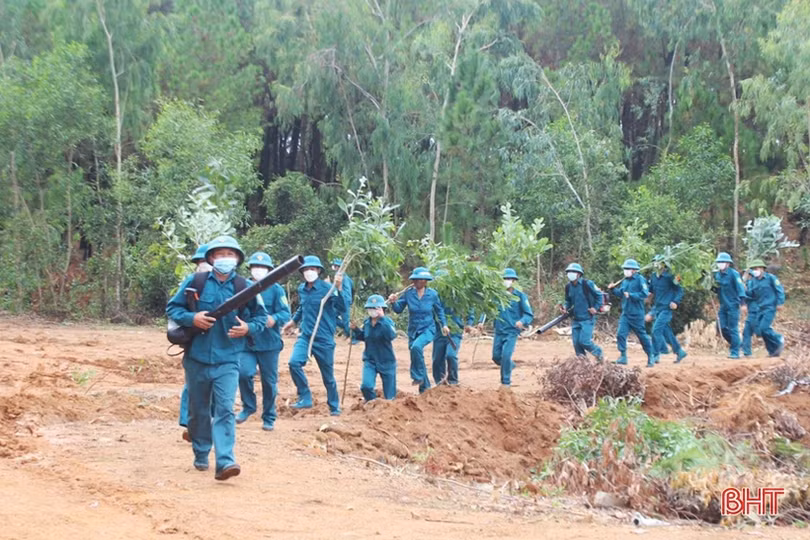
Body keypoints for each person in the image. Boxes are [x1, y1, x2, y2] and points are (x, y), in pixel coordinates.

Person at [166, 235, 267, 480]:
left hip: (228, 359)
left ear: (237, 259)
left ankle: (225, 461)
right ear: (211, 258)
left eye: (230, 255)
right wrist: (194, 319)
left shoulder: (245, 287)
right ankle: (201, 451)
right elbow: (172, 309)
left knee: (224, 409)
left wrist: (248, 328)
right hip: (197, 358)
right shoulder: (196, 282)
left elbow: (261, 318)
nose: (225, 259)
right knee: (198, 410)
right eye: (220, 254)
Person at [282, 255, 345, 416]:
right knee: (294, 363)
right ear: (302, 272)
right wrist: (293, 322)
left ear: (318, 270)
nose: (309, 271)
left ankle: (334, 406)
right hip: (306, 335)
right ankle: (305, 397)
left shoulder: (327, 288)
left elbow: (342, 308)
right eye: (306, 269)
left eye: (312, 269)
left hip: (324, 338)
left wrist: (338, 289)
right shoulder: (302, 289)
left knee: (328, 376)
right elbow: (303, 308)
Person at [235, 252, 291, 431]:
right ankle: (248, 406)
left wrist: (274, 319)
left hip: (269, 343)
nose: (259, 270)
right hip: (247, 341)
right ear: (250, 269)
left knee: (269, 381)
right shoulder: (241, 286)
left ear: (269, 270)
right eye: (255, 267)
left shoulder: (276, 289)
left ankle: (269, 416)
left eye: (263, 267)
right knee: (243, 373)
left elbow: (285, 313)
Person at [388, 267, 449, 394]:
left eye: (421, 280)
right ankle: (424, 388)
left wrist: (444, 325)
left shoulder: (432, 294)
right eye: (416, 279)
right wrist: (394, 302)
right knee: (417, 356)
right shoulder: (408, 294)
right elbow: (399, 309)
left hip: (428, 329)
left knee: (416, 348)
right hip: (413, 330)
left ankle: (417, 377)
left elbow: (439, 311)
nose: (418, 282)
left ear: (426, 281)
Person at [179, 243, 210, 442]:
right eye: (200, 262)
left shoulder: (232, 286)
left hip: (220, 346)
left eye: (206, 261)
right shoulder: (191, 284)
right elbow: (175, 310)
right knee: (191, 385)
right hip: (195, 344)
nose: (203, 265)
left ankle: (205, 425)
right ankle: (189, 424)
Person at [351, 295, 398, 401]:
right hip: (370, 360)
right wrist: (356, 330)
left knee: (390, 396)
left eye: (376, 308)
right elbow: (365, 337)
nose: (372, 311)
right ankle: (372, 403)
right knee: (366, 386)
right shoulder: (367, 323)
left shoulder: (388, 322)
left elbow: (391, 335)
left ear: (382, 309)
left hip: (387, 361)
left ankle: (388, 412)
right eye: (370, 308)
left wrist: (382, 318)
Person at [492, 268, 534, 387]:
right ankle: (510, 365)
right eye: (504, 279)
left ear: (514, 281)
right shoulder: (497, 295)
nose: (507, 281)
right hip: (499, 330)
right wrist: (480, 321)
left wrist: (522, 321)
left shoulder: (521, 296)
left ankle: (505, 383)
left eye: (509, 279)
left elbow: (528, 314)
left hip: (511, 331)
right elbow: (489, 308)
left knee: (506, 355)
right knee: (496, 357)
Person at [609, 259, 654, 367]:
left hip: (637, 314)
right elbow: (621, 293)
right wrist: (612, 289)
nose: (625, 271)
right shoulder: (625, 281)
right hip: (626, 313)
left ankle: (650, 356)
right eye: (625, 269)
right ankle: (623, 356)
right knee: (621, 334)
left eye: (627, 269)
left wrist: (632, 295)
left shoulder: (640, 279)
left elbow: (644, 293)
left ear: (634, 270)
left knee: (642, 336)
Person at [647, 257, 688, 364]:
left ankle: (655, 355)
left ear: (664, 265)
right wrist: (647, 299)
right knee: (667, 332)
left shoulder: (671, 276)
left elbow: (680, 290)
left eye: (658, 263)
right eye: (654, 263)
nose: (656, 265)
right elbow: (650, 291)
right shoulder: (653, 277)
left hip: (667, 309)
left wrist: (675, 301)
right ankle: (679, 351)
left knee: (656, 330)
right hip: (658, 308)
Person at [742, 260, 785, 357]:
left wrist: (780, 303)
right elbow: (751, 294)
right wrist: (744, 290)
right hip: (759, 308)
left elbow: (779, 290)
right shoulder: (753, 282)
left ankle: (778, 338)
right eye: (753, 269)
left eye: (756, 269)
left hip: (769, 307)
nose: (754, 271)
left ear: (762, 269)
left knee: (764, 328)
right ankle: (773, 351)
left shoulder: (771, 278)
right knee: (760, 331)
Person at [561, 263, 604, 362]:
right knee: (576, 344)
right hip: (576, 319)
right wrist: (565, 308)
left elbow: (599, 296)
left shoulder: (587, 284)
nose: (570, 274)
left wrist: (595, 308)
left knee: (584, 341)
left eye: (573, 272)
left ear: (579, 274)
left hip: (587, 318)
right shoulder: (568, 287)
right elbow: (568, 300)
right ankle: (583, 364)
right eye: (569, 272)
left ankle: (599, 353)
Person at [713, 252, 746, 359]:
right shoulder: (717, 274)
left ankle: (735, 352)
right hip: (723, 305)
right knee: (720, 327)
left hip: (733, 305)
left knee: (733, 328)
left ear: (728, 263)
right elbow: (716, 289)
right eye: (719, 262)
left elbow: (740, 288)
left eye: (722, 262)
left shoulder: (734, 274)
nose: (720, 264)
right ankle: (738, 345)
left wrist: (743, 303)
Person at [432, 305, 473, 386]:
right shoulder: (436, 295)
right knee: (437, 359)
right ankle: (440, 382)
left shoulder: (460, 296)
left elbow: (469, 305)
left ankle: (453, 381)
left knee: (451, 355)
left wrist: (469, 323)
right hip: (439, 332)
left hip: (455, 332)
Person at [331, 258, 354, 337]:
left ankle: (351, 335)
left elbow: (337, 289)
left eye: (335, 266)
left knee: (345, 319)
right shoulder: (346, 277)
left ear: (338, 267)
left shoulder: (339, 276)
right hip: (342, 299)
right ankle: (347, 330)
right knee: (333, 315)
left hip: (344, 300)